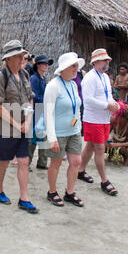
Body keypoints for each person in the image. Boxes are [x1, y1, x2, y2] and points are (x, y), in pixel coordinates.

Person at [0, 40, 38, 214]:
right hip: (6, 128)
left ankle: (24, 198)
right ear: (8, 59)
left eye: (22, 56)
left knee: (24, 161)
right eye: (17, 56)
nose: (21, 59)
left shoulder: (24, 74)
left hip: (24, 126)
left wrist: (29, 120)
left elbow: (30, 98)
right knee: (4, 161)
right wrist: (17, 124)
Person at [44, 52, 85, 207]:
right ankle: (52, 192)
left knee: (76, 161)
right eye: (73, 66)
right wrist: (52, 137)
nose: (76, 68)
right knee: (56, 163)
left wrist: (78, 128)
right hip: (58, 133)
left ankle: (70, 192)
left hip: (74, 131)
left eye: (76, 66)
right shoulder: (53, 86)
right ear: (64, 68)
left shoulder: (73, 84)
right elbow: (48, 113)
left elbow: (77, 109)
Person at [78, 49, 120, 196]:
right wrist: (107, 105)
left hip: (104, 118)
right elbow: (87, 99)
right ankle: (104, 180)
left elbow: (108, 94)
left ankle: (80, 170)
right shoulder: (89, 78)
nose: (107, 62)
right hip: (93, 119)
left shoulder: (105, 77)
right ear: (95, 62)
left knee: (90, 145)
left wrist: (114, 104)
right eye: (104, 60)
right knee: (100, 148)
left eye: (107, 60)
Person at [29, 54, 53, 171]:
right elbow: (34, 96)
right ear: (38, 65)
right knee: (33, 138)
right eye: (44, 63)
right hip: (36, 111)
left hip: (42, 110)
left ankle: (42, 162)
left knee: (43, 137)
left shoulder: (43, 78)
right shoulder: (34, 79)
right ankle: (26, 163)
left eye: (47, 64)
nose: (46, 65)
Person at [106, 102, 128, 166]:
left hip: (124, 147)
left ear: (125, 118)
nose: (116, 117)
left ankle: (126, 158)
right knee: (100, 145)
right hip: (113, 143)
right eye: (117, 115)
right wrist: (106, 142)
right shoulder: (113, 120)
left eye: (119, 116)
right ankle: (110, 154)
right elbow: (106, 133)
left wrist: (117, 144)